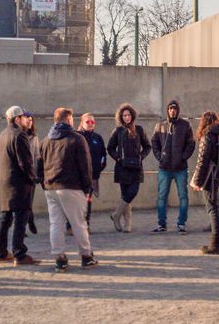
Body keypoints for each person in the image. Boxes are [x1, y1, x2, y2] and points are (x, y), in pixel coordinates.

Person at [36, 108, 98, 270]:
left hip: (51, 188)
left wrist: (44, 183)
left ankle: (60, 259)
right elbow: (86, 166)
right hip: (72, 187)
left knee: (55, 224)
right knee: (79, 223)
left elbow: (38, 167)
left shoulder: (45, 141)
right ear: (69, 120)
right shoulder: (77, 139)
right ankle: (86, 256)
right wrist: (87, 187)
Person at [0, 106, 39, 265]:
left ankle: (0, 253)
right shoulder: (19, 135)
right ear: (17, 119)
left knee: (5, 218)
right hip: (19, 183)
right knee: (21, 218)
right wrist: (32, 178)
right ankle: (19, 253)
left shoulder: (2, 135)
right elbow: (25, 162)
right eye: (23, 116)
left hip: (5, 182)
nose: (25, 119)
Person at [151, 99, 195, 233]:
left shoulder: (185, 125)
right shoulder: (160, 126)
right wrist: (160, 157)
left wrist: (183, 157)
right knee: (161, 197)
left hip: (180, 168)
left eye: (175, 108)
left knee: (183, 196)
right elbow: (154, 142)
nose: (172, 111)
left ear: (178, 110)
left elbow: (191, 144)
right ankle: (161, 224)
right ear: (167, 110)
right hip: (164, 168)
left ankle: (181, 223)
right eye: (170, 108)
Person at [189, 111, 219, 255]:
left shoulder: (207, 137)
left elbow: (202, 161)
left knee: (213, 209)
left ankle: (215, 245)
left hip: (211, 178)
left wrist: (197, 182)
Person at [107, 103, 150, 233]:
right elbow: (110, 148)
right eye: (124, 115)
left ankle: (116, 215)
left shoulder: (140, 129)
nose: (127, 117)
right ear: (121, 117)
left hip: (136, 168)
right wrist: (118, 158)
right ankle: (127, 225)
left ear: (132, 115)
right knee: (125, 195)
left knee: (132, 192)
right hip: (122, 168)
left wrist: (141, 157)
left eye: (129, 115)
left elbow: (147, 146)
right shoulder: (118, 131)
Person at [77, 112, 107, 229]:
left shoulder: (98, 138)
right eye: (87, 122)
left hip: (93, 176)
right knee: (78, 202)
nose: (90, 124)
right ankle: (72, 225)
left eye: (92, 122)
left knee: (88, 201)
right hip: (78, 177)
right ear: (82, 123)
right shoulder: (77, 136)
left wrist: (99, 168)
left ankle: (86, 224)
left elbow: (103, 155)